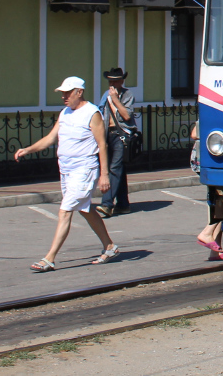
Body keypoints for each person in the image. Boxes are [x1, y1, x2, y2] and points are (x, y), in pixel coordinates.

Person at [15, 76, 118, 272]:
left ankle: (49, 258)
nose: (64, 97)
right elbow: (50, 138)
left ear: (79, 92)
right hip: (66, 170)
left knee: (65, 210)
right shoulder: (65, 113)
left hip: (84, 169)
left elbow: (102, 145)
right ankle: (110, 246)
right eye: (62, 93)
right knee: (84, 209)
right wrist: (27, 150)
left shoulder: (92, 113)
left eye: (68, 93)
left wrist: (104, 175)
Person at [191, 122, 223, 260]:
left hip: (210, 160)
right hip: (213, 161)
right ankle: (207, 233)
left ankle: (216, 250)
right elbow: (194, 134)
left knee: (219, 200)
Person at [96, 67, 136, 218]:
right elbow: (100, 113)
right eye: (110, 82)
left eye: (115, 81)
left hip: (121, 135)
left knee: (114, 168)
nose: (112, 85)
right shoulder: (105, 95)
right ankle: (123, 204)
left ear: (121, 81)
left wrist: (115, 100)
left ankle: (107, 204)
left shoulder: (127, 94)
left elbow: (127, 116)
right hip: (108, 135)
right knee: (119, 170)